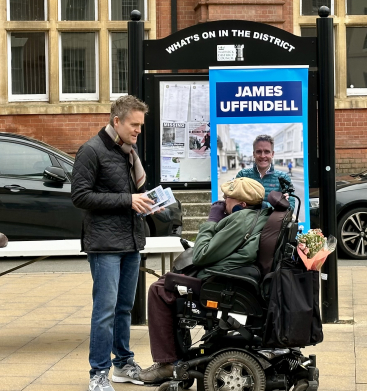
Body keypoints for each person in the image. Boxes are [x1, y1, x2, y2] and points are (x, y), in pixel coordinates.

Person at [139, 177, 269, 384]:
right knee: (170, 280)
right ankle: (178, 359)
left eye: (228, 197)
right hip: (228, 273)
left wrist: (212, 221)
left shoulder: (240, 219)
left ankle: (167, 364)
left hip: (222, 280)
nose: (223, 200)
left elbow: (201, 254)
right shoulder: (257, 214)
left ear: (241, 205)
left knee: (159, 289)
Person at [71, 95, 156, 391]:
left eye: (140, 125)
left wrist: (148, 202)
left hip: (130, 240)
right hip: (104, 243)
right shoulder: (91, 151)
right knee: (105, 310)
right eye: (134, 125)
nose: (138, 131)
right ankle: (98, 373)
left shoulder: (127, 151)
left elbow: (131, 193)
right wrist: (128, 200)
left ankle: (123, 364)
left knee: (124, 309)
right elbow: (80, 196)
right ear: (116, 121)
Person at [236, 134, 295, 209]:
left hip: (272, 221)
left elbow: (290, 207)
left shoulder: (283, 178)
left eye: (266, 152)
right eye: (259, 152)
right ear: (254, 154)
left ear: (272, 154)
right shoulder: (242, 175)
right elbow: (233, 203)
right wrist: (277, 204)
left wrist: (263, 206)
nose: (263, 156)